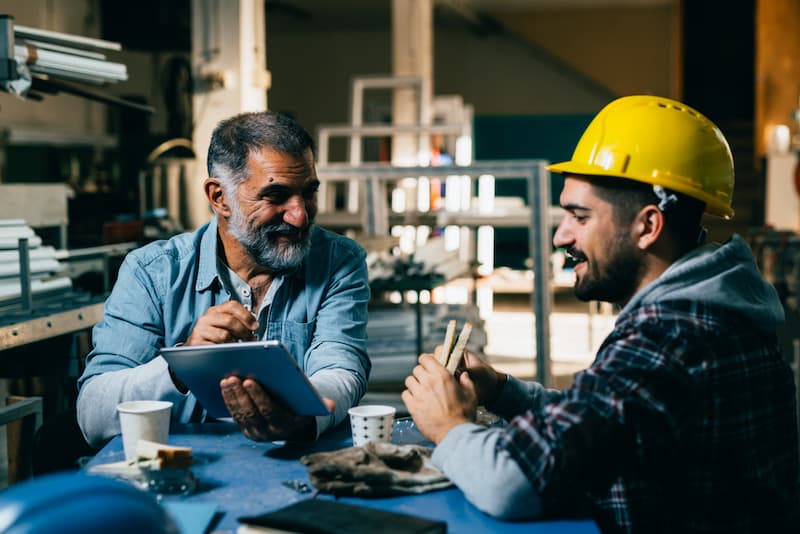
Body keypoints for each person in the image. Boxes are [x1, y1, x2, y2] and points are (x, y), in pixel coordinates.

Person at [402, 95, 799, 532]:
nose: (559, 236)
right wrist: (502, 391)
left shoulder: (669, 335)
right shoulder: (710, 311)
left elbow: (509, 484)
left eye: (579, 216)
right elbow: (599, 419)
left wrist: (450, 426)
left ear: (648, 227)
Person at [78, 111, 371, 447]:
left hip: (296, 465)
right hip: (178, 474)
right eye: (275, 196)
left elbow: (341, 369)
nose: (300, 215)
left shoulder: (339, 262)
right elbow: (92, 415)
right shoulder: (151, 273)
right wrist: (182, 364)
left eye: (308, 193)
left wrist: (305, 414)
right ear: (219, 197)